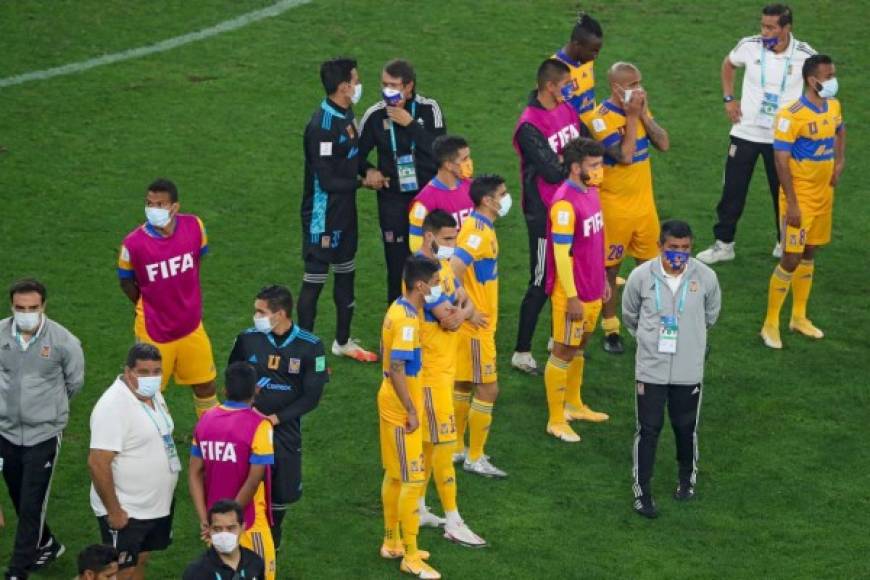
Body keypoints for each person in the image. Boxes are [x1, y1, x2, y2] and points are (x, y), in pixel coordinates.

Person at [697, 4, 816, 264]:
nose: (764, 31)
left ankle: (784, 241)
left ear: (787, 28)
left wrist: (804, 121)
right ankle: (724, 244)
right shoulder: (749, 46)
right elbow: (728, 65)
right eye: (763, 25)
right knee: (733, 190)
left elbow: (821, 87)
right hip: (746, 131)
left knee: (783, 192)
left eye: (771, 27)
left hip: (784, 139)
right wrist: (729, 98)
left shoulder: (805, 55)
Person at [622, 220, 721, 518]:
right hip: (651, 369)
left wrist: (690, 340)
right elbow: (630, 315)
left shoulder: (706, 277)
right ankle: (642, 492)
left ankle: (686, 481)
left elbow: (711, 315)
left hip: (688, 369)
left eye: (685, 248)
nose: (679, 253)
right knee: (648, 429)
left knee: (685, 428)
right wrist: (648, 341)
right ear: (660, 246)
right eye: (673, 248)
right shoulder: (641, 276)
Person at [227, 284, 328, 549]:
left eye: (260, 312)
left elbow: (312, 397)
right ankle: (238, 531)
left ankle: (274, 533)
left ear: (280, 314)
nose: (255, 316)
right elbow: (233, 376)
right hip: (246, 427)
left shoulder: (311, 346)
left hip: (283, 430)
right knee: (242, 480)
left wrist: (274, 419)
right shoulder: (247, 339)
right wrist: (246, 408)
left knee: (281, 490)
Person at [0, 278, 84, 580]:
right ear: (12, 306)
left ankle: (17, 570)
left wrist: (47, 412)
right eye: (21, 307)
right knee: (17, 495)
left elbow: (75, 383)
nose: (26, 313)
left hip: (43, 436)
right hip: (5, 433)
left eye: (33, 307)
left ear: (43, 306)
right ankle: (47, 544)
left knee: (32, 502)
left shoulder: (64, 342)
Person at [298, 56, 380, 363]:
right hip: (322, 215)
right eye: (356, 80)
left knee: (347, 275)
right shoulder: (321, 126)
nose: (359, 85)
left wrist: (369, 170)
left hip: (346, 213)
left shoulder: (347, 115)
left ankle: (342, 342)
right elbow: (328, 180)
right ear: (344, 86)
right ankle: (304, 353)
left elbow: (353, 158)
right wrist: (363, 183)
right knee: (314, 283)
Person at [760, 54, 845, 349]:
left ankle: (798, 317)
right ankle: (770, 323)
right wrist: (792, 204)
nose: (834, 80)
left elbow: (839, 130)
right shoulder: (790, 115)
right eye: (828, 75)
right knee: (791, 257)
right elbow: (780, 160)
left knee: (810, 252)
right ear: (812, 80)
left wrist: (839, 162)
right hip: (800, 199)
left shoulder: (832, 105)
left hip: (824, 196)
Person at [117, 178, 219, 418]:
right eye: (149, 203)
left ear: (174, 207)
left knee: (206, 384)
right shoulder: (133, 243)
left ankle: (210, 437)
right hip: (154, 329)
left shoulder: (195, 226)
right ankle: (148, 441)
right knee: (146, 391)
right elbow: (125, 281)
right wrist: (145, 303)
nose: (153, 209)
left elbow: (197, 259)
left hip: (191, 325)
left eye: (160, 204)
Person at [414, 210, 486, 547]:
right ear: (429, 237)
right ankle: (454, 519)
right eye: (446, 240)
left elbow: (467, 303)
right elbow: (452, 320)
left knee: (431, 442)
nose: (452, 247)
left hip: (444, 369)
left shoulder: (442, 268)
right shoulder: (420, 274)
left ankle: (417, 507)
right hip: (428, 375)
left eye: (455, 239)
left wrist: (461, 312)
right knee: (442, 444)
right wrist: (460, 314)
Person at [589, 61, 670, 355]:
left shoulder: (640, 108)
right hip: (614, 208)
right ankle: (610, 328)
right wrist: (633, 117)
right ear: (616, 87)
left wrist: (643, 116)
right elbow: (624, 156)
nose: (639, 88)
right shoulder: (599, 119)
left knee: (653, 270)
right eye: (633, 84)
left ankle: (655, 328)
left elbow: (663, 143)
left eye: (640, 82)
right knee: (610, 270)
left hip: (644, 206)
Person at [511, 58, 582, 374]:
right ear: (550, 86)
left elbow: (577, 149)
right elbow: (552, 171)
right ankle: (521, 351)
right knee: (542, 278)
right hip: (542, 212)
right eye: (566, 83)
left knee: (568, 276)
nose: (570, 88)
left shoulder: (566, 109)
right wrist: (573, 160)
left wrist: (570, 159)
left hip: (568, 207)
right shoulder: (528, 125)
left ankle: (558, 337)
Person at [359, 58, 447, 303]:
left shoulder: (430, 109)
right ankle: (396, 325)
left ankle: (431, 323)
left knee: (433, 263)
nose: (388, 91)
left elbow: (441, 152)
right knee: (397, 267)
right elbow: (355, 155)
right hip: (393, 200)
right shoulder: (375, 115)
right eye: (384, 84)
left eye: (394, 85)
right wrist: (368, 170)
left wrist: (410, 124)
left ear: (409, 87)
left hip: (428, 198)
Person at [88, 343, 179, 579]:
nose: (151, 378)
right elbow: (97, 463)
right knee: (119, 571)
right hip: (128, 510)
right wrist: (114, 511)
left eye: (156, 371)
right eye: (143, 372)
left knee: (140, 560)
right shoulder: (113, 406)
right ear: (128, 372)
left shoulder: (153, 394)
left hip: (153, 506)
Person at [377, 255, 442, 579]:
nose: (438, 287)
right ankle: (411, 556)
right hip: (402, 408)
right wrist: (413, 410)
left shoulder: (398, 308)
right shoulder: (406, 322)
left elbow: (387, 359)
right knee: (413, 480)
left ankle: (392, 542)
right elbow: (399, 367)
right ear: (420, 285)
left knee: (394, 474)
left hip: (389, 398)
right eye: (435, 282)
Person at [543, 138, 610, 443]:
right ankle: (556, 419)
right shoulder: (564, 205)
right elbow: (561, 255)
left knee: (580, 347)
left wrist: (604, 280)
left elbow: (596, 239)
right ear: (574, 167)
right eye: (593, 165)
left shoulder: (591, 192)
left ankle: (574, 404)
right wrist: (571, 296)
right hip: (574, 293)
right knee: (563, 350)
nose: (600, 170)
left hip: (593, 287)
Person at [189, 362, 276, 580]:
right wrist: (233, 521)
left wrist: (206, 520)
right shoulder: (259, 425)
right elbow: (254, 479)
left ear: (225, 390)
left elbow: (194, 473)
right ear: (255, 391)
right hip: (248, 521)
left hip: (216, 526)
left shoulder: (205, 420)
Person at [450, 175, 512, 478]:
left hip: (475, 326)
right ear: (488, 200)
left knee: (462, 383)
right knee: (488, 389)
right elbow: (453, 270)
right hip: (477, 328)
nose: (506, 198)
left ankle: (456, 448)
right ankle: (475, 457)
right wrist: (467, 310)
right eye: (503, 193)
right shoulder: (477, 233)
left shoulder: (481, 226)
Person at [408, 135, 475, 253]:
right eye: (464, 159)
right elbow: (416, 245)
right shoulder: (424, 202)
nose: (469, 162)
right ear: (448, 165)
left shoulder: (472, 187)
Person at [183, 500, 266, 580]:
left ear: (243, 528)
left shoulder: (255, 562)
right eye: (217, 529)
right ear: (209, 530)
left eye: (231, 528)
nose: (224, 535)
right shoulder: (197, 572)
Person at [553, 12, 604, 130]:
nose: (596, 56)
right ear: (577, 45)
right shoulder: (554, 71)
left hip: (591, 132)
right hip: (572, 141)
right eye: (593, 51)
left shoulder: (586, 59)